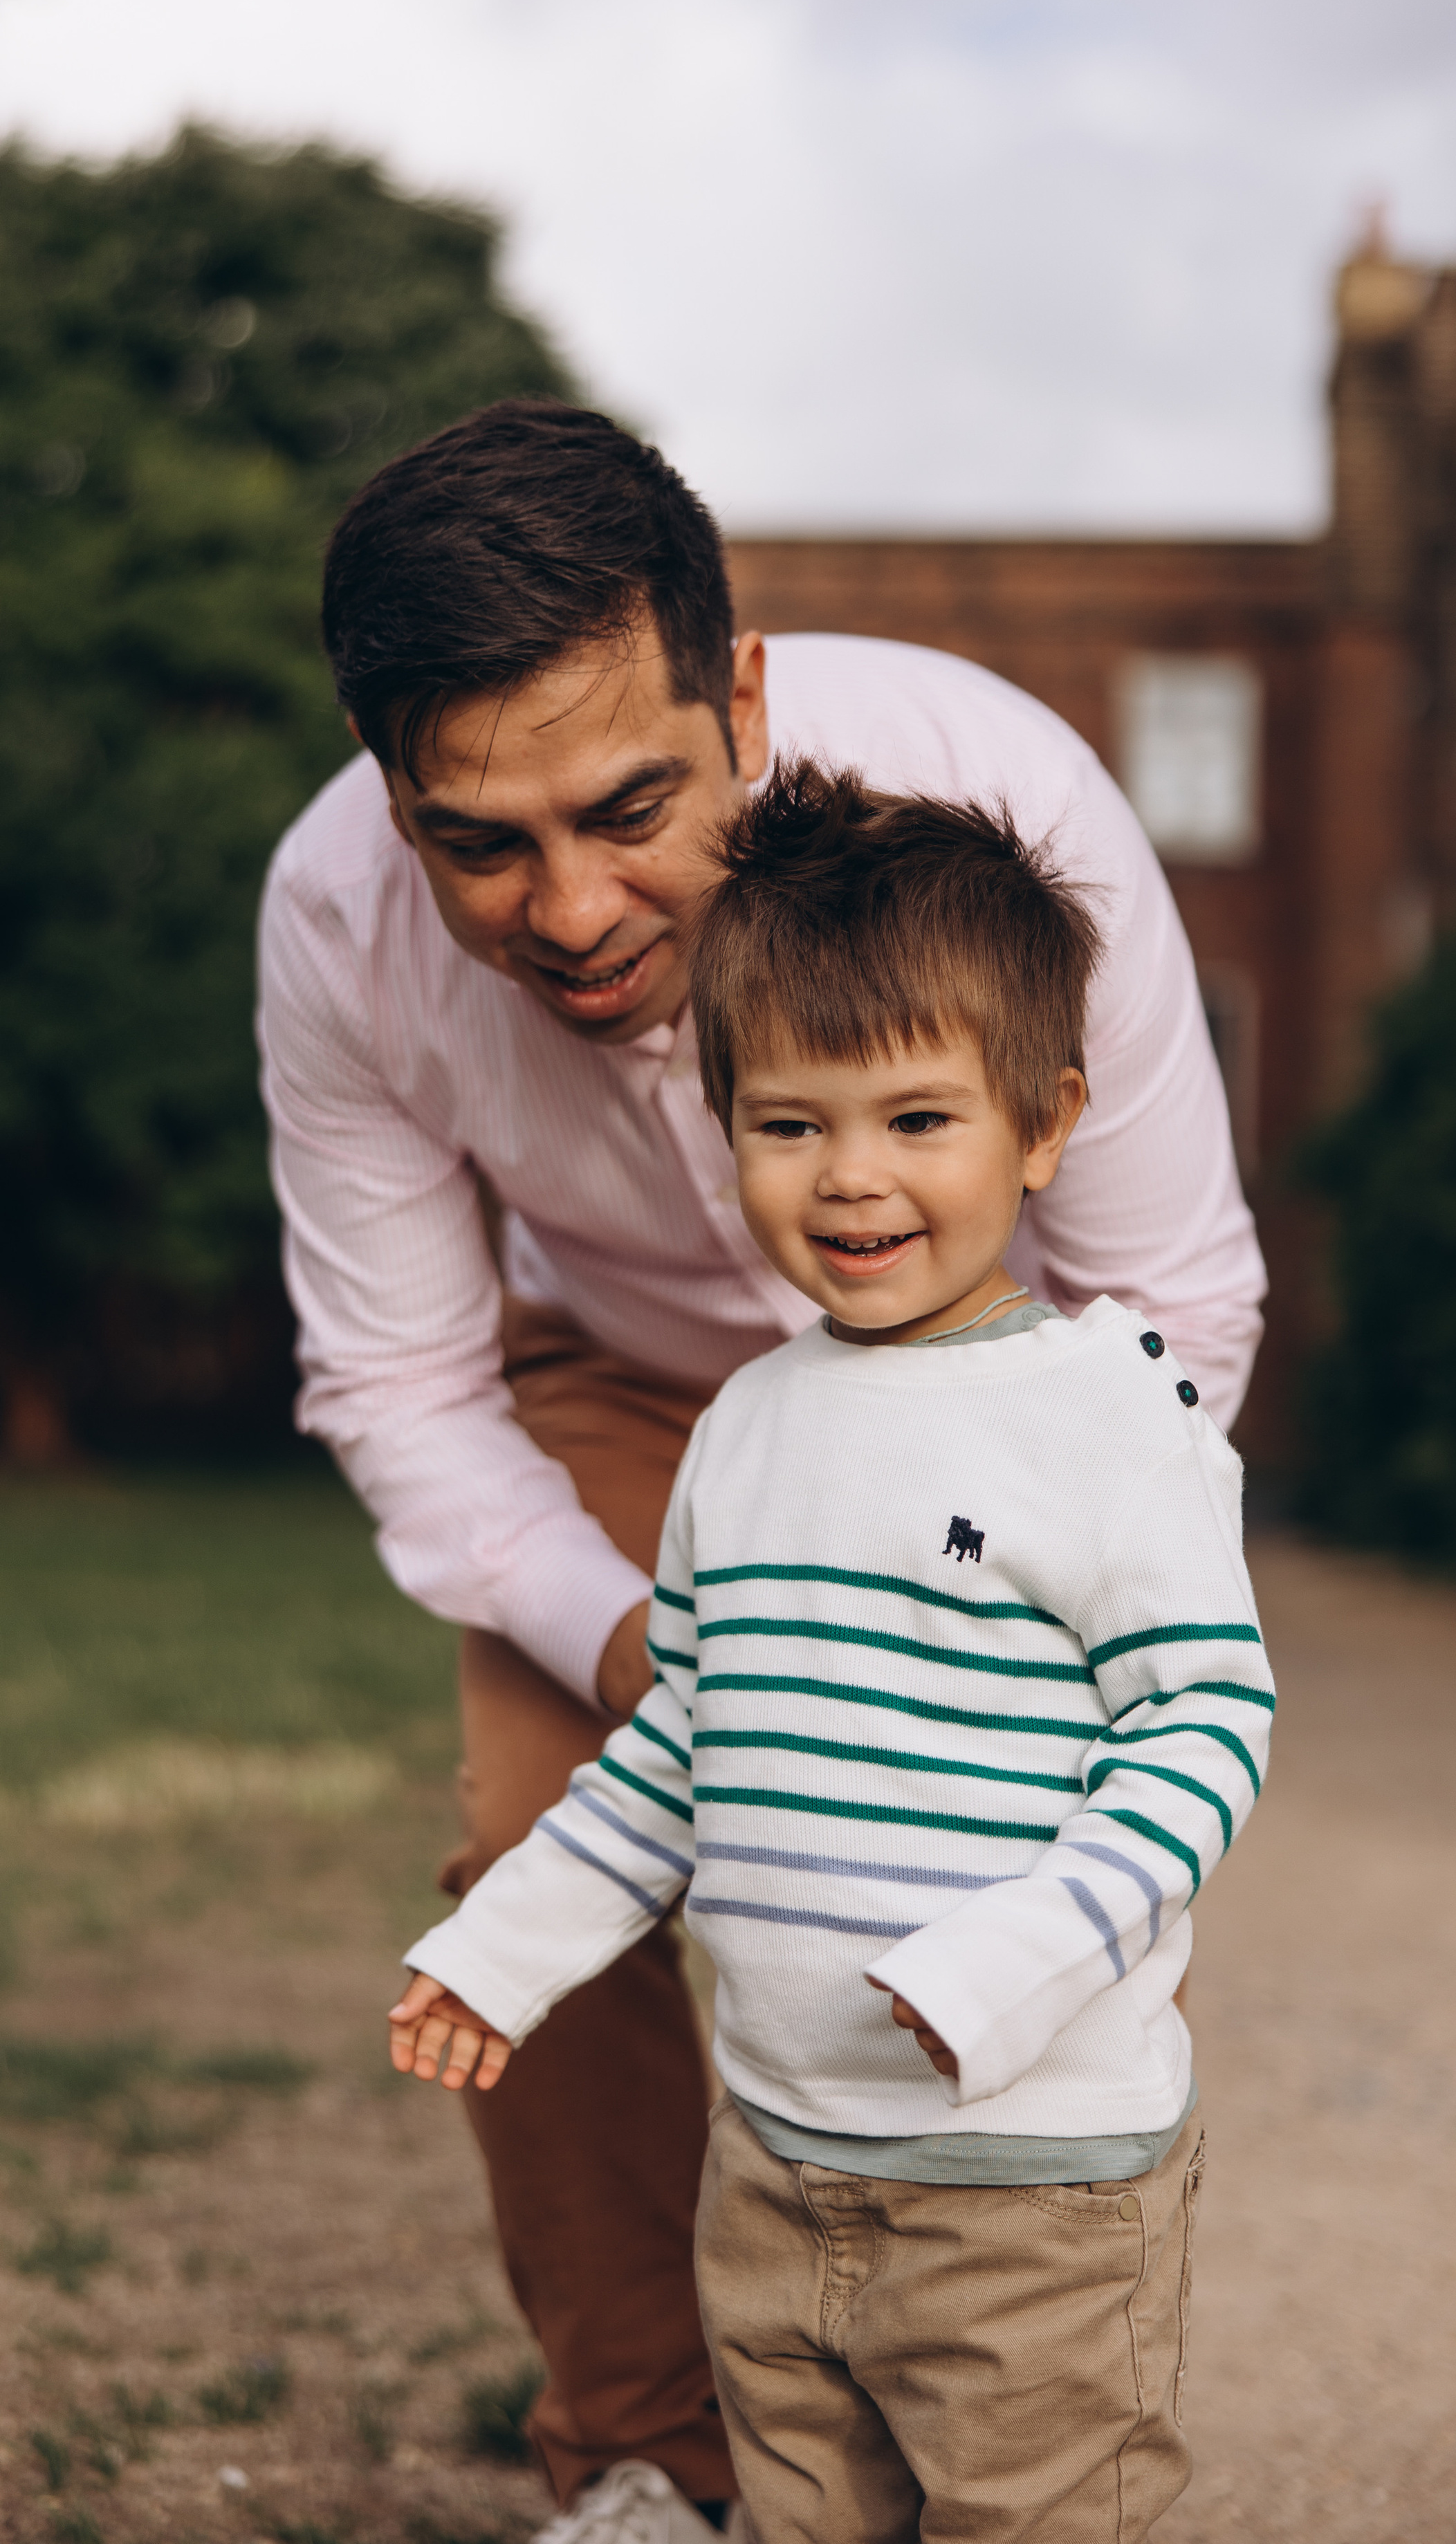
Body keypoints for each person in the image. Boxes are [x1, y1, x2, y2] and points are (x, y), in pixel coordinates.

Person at [258, 398, 1266, 2541]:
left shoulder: (1005, 798)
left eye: (633, 808)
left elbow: (1175, 1298)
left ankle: (1013, 2400)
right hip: (630, 1387)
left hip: (1000, 1364)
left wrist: (1010, 1601)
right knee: (534, 1843)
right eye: (479, 842)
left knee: (993, 1833)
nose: (571, 909)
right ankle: (650, 2453)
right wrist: (655, 1656)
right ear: (383, 779)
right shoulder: (333, 924)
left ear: (742, 695)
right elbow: (402, 1383)